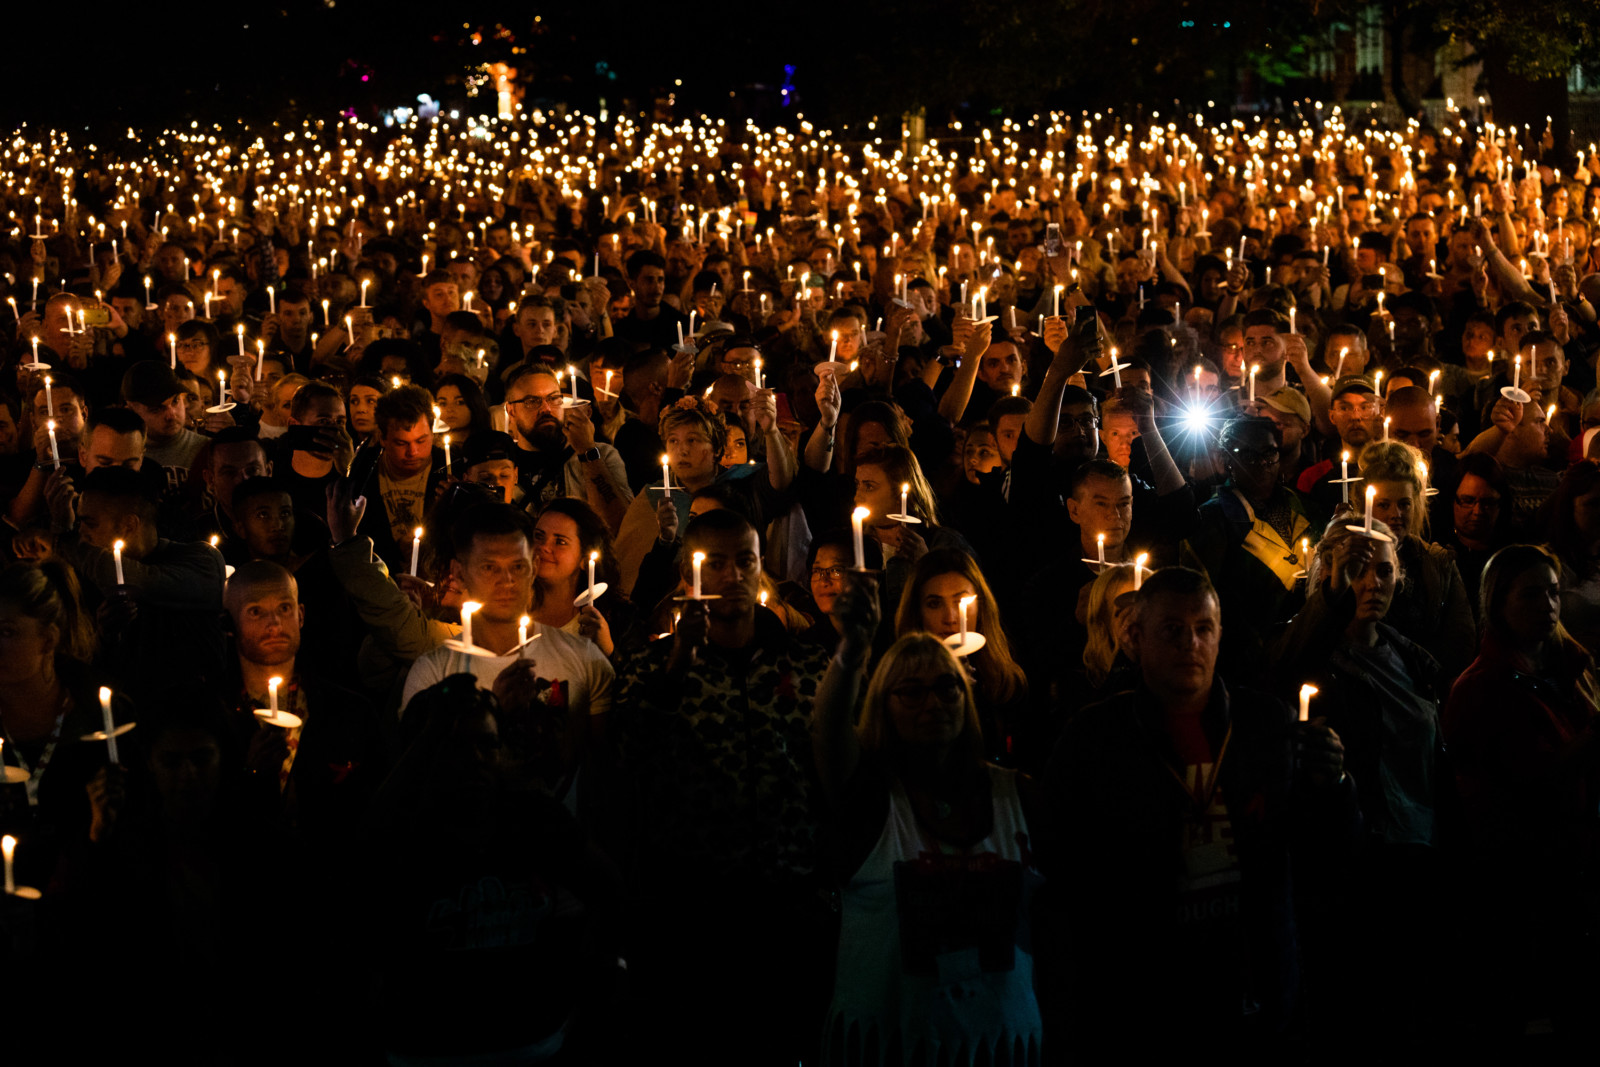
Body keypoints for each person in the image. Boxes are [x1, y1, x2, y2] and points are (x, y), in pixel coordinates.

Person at [1047, 567, 1358, 1060]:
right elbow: (1066, 873)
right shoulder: (1097, 739)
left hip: (1256, 984)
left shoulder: (1263, 723)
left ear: (1219, 635)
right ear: (1135, 637)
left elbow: (1320, 850)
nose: (1190, 644)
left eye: (1203, 628)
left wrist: (1334, 784)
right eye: (1172, 630)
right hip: (1144, 1001)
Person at [610, 508, 836, 1064]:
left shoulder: (807, 663)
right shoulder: (650, 663)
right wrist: (679, 664)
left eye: (744, 561)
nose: (732, 575)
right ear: (688, 574)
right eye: (715, 563)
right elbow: (629, 755)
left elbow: (834, 767)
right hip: (691, 905)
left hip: (789, 898)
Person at [813, 573, 1048, 1066]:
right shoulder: (871, 801)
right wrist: (852, 652)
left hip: (1000, 1046)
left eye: (947, 688)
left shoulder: (1018, 795)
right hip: (890, 1048)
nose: (933, 703)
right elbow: (829, 731)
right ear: (883, 703)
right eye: (912, 692)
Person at [1277, 518, 1454, 1052]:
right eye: (1356, 571)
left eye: (1384, 571)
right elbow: (1284, 669)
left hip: (1421, 848)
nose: (1372, 583)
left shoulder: (1412, 658)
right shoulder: (1314, 659)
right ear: (1330, 578)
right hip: (1360, 858)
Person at [1443, 545, 1600, 1051]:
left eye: (1553, 593)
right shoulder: (1482, 687)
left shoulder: (1570, 667)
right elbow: (1531, 784)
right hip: (1525, 883)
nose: (1548, 606)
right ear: (1498, 602)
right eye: (1531, 595)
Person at [400, 502, 615, 720]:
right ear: (460, 573)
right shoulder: (433, 672)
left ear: (533, 567)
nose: (506, 581)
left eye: (517, 566)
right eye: (489, 567)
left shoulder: (586, 657)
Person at [46, 466, 228, 692]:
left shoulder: (202, 561)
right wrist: (104, 636)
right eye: (78, 524)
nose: (81, 532)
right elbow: (77, 667)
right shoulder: (84, 574)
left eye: (90, 523)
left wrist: (65, 537)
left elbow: (139, 581)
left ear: (129, 525)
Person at [894, 548, 1027, 764]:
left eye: (961, 601)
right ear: (917, 613)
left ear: (980, 607)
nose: (950, 618)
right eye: (934, 604)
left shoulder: (1003, 678)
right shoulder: (899, 687)